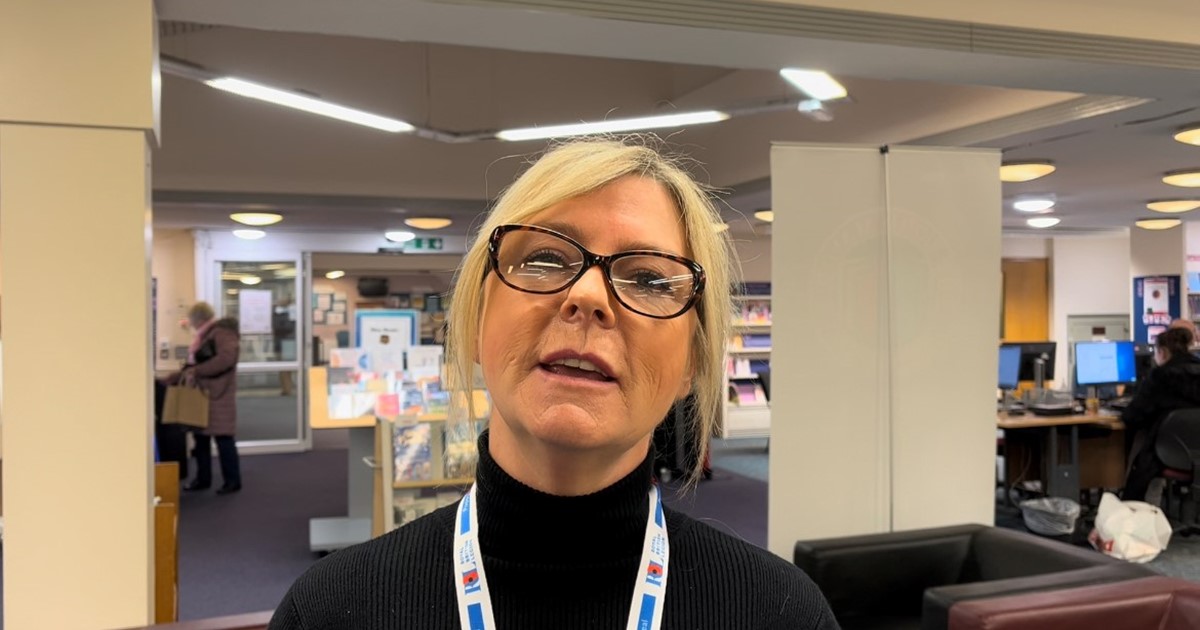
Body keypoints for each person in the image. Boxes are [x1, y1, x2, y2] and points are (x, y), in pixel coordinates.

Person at [269, 138, 837, 629]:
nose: (588, 297)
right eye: (543, 258)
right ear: (473, 323)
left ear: (692, 361)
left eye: (647, 278)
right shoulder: (329, 613)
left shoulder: (778, 615)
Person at [170, 301, 243, 495]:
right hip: (204, 394)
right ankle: (203, 479)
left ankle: (232, 481)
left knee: (223, 439)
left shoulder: (221, 333)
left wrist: (198, 371)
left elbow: (227, 359)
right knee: (200, 438)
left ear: (198, 319)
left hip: (217, 394)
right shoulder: (209, 333)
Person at [1121, 326, 1200, 502]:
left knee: (1141, 447)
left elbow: (1133, 416)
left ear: (1162, 352)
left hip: (1167, 455)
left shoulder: (1160, 376)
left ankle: (1140, 514)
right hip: (1196, 454)